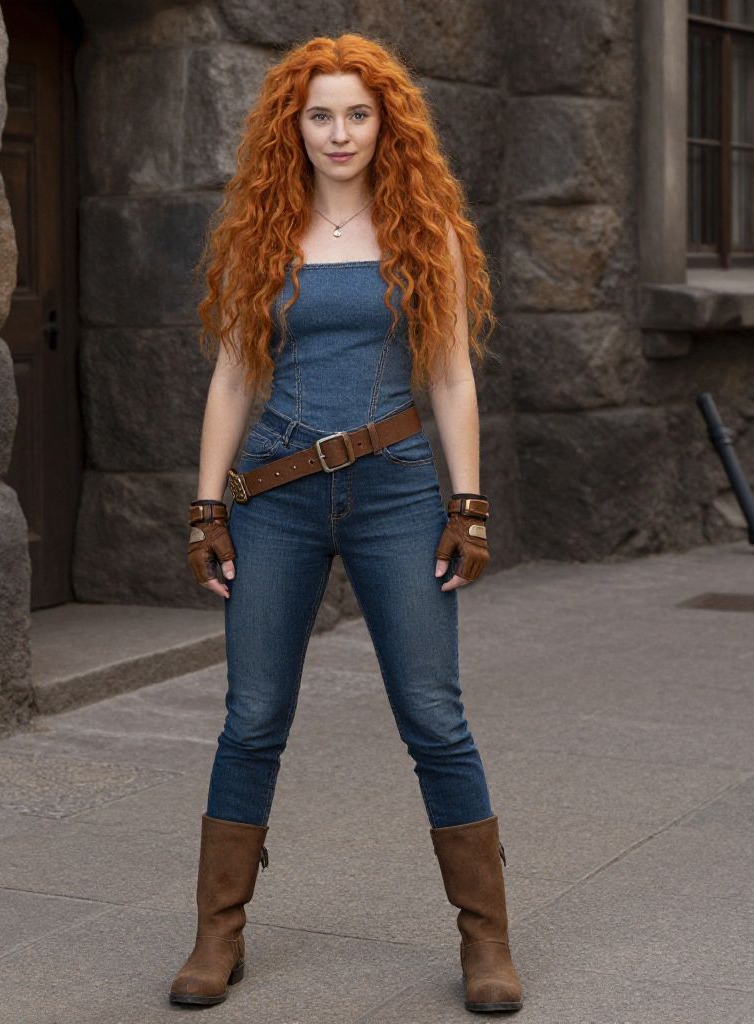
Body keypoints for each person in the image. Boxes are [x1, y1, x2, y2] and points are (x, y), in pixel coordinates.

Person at [170, 32, 523, 1015]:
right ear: (296, 123)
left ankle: (485, 940)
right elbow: (234, 374)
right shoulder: (258, 236)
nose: (339, 132)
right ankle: (217, 934)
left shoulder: (426, 232)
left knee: (432, 715)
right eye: (320, 114)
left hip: (400, 491)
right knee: (252, 715)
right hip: (274, 496)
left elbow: (450, 375)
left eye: (357, 114)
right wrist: (207, 507)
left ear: (385, 125)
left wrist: (468, 504)